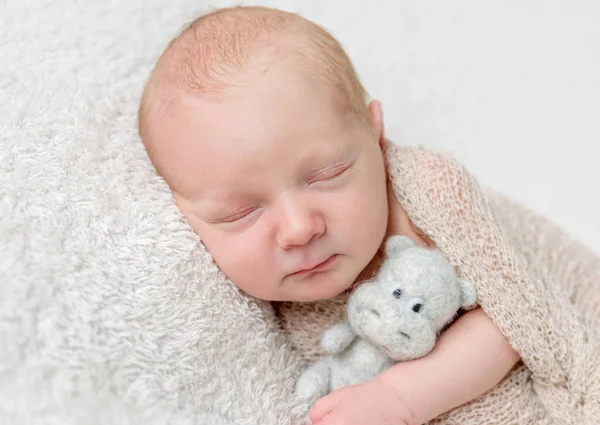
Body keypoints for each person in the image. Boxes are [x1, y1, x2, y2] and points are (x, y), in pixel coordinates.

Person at [138, 6, 520, 424]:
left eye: (327, 174)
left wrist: (400, 400)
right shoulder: (223, 310)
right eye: (240, 212)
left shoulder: (426, 199)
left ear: (375, 137)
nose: (300, 229)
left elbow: (515, 318)